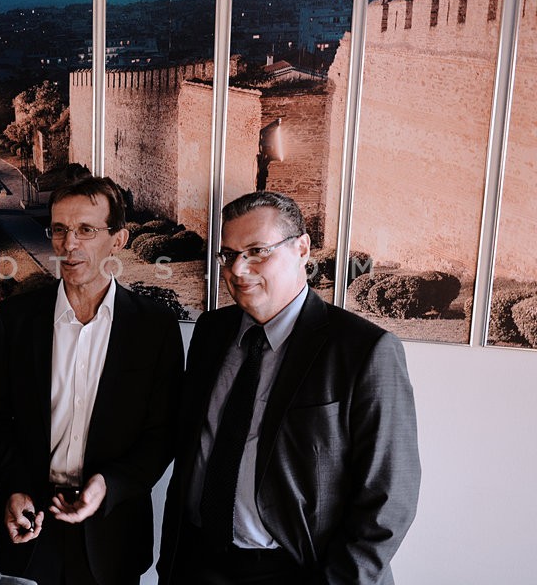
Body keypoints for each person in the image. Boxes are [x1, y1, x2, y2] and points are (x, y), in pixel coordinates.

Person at [157, 191, 420, 585]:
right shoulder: (211, 332)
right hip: (197, 563)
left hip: (299, 570)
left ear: (302, 249)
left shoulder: (364, 350)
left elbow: (389, 497)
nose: (238, 269)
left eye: (257, 251)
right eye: (228, 255)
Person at [0, 175, 184, 585]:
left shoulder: (154, 327)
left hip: (113, 532)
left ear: (118, 239)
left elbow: (163, 435)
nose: (69, 244)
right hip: (31, 523)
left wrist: (109, 486)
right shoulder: (16, 319)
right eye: (59, 230)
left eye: (86, 230)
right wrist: (15, 486)